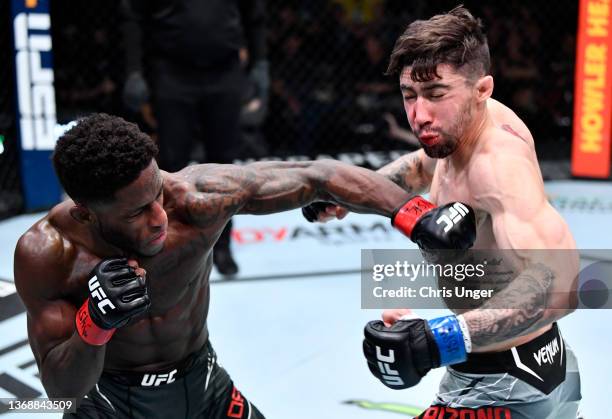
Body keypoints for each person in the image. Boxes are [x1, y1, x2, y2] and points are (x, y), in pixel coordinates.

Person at [13, 114, 475, 418]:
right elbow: (62, 389)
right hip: (108, 404)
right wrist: (95, 322)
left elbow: (319, 176)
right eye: (136, 212)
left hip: (206, 385)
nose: (159, 217)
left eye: (156, 193)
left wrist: (414, 213)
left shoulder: (195, 200)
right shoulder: (51, 255)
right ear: (85, 211)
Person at [302, 6, 581, 419]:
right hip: (529, 365)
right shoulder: (465, 124)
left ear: (482, 89)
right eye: (409, 95)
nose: (419, 115)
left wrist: (438, 338)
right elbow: (422, 164)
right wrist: (353, 193)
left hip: (506, 384)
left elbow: (562, 285)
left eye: (435, 95)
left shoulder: (499, 169)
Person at [121, 0, 270, 276]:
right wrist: (133, 70)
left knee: (224, 165)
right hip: (171, 70)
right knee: (171, 164)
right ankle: (170, 246)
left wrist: (260, 62)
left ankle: (222, 245)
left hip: (224, 70)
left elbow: (255, 14)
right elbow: (132, 17)